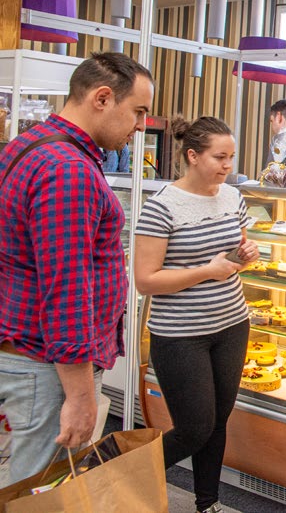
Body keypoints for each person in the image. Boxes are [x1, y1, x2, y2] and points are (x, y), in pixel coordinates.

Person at [0, 52, 153, 486]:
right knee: (39, 491)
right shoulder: (69, 170)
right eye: (138, 111)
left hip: (25, 349)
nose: (142, 125)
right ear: (102, 98)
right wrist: (81, 396)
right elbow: (66, 288)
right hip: (46, 365)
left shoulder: (29, 145)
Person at [133, 116, 259, 513]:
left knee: (218, 422)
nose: (228, 165)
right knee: (193, 429)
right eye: (219, 157)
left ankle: (208, 504)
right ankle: (117, 476)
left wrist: (247, 255)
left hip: (232, 324)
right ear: (192, 155)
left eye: (231, 157)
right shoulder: (161, 207)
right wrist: (207, 271)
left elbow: (236, 255)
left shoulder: (232, 197)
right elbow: (146, 280)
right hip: (180, 335)